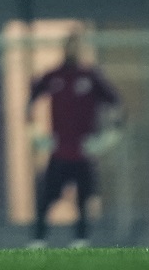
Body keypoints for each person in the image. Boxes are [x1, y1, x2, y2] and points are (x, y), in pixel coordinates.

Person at [26, 31, 121, 249]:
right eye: (70, 45)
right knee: (47, 197)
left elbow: (115, 103)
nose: (73, 50)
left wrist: (109, 137)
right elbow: (30, 102)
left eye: (77, 46)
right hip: (59, 151)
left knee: (83, 199)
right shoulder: (53, 76)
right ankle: (38, 240)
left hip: (83, 152)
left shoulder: (90, 76)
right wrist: (33, 132)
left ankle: (81, 240)